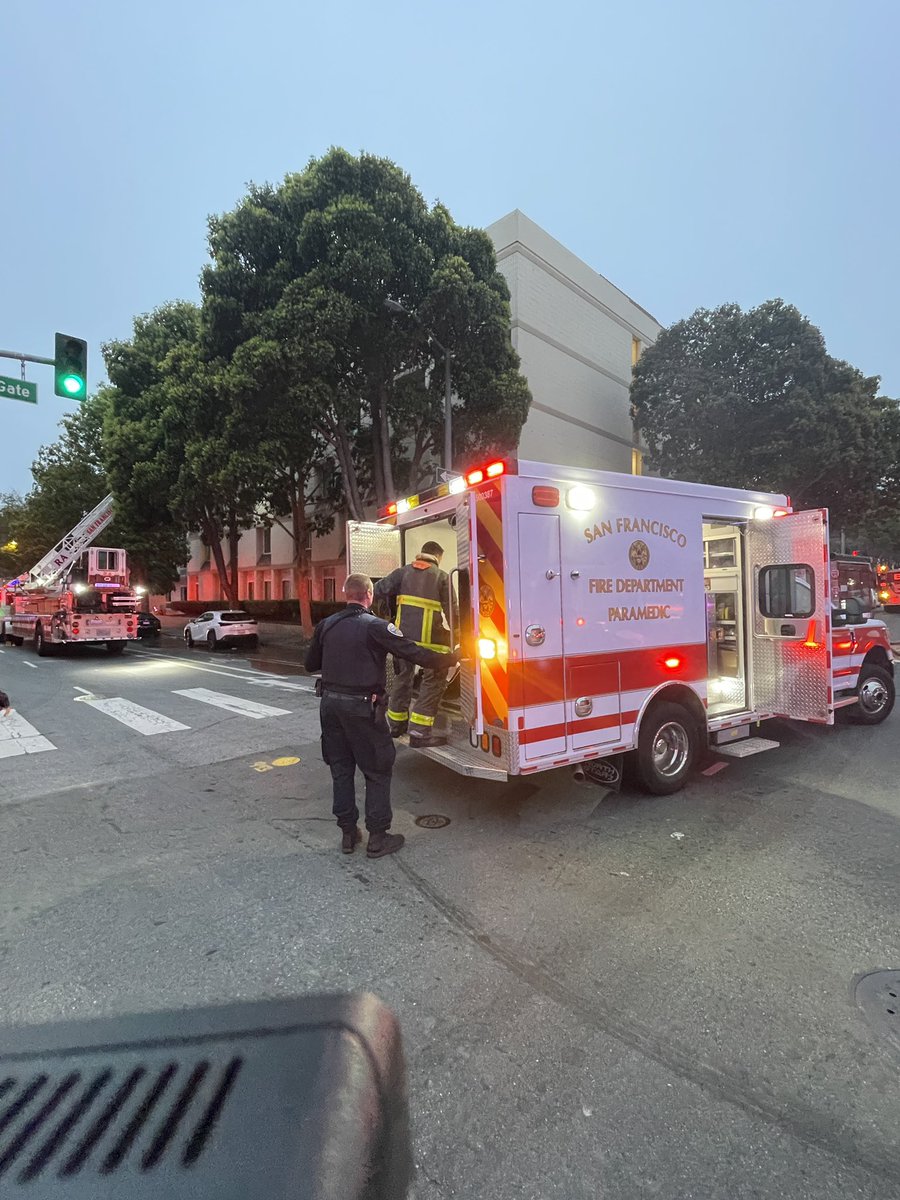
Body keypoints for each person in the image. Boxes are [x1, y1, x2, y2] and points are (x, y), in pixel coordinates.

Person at [304, 573, 459, 858]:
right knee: (377, 770)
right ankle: (377, 838)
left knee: (341, 769)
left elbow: (309, 664)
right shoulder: (375, 626)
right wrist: (454, 657)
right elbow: (414, 654)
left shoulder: (327, 625)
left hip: (330, 706)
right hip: (362, 708)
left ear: (345, 593)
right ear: (369, 595)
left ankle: (348, 834)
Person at [373, 541, 458, 747]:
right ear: (438, 557)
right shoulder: (442, 576)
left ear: (422, 555)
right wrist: (460, 638)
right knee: (434, 680)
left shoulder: (402, 573)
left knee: (403, 679)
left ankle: (396, 724)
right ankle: (419, 732)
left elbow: (377, 589)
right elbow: (453, 613)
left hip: (402, 640)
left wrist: (385, 616)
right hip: (431, 643)